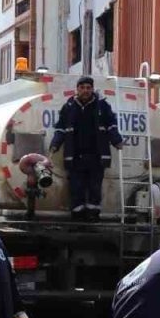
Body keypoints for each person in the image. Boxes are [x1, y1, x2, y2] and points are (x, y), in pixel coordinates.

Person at [51, 76, 123, 221]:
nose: (85, 90)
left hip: (97, 157)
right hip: (75, 157)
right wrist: (55, 144)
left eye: (88, 88)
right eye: (82, 87)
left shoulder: (102, 106)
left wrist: (117, 141)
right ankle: (77, 217)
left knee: (95, 188)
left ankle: (93, 216)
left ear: (92, 89)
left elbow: (111, 125)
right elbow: (60, 129)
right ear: (77, 89)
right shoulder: (69, 107)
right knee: (76, 188)